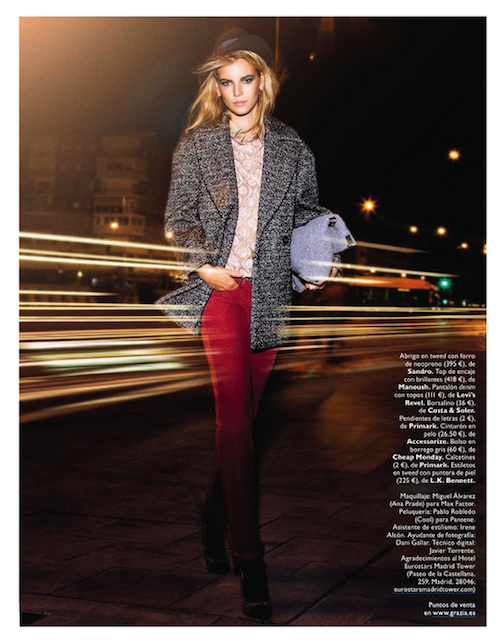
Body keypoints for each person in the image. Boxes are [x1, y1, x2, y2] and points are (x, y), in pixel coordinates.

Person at [156, 27, 337, 621]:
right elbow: (179, 218)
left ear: (263, 82)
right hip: (222, 295)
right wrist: (203, 265)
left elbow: (306, 213)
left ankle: (213, 522)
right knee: (234, 422)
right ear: (217, 87)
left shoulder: (292, 147)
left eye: (246, 79)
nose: (236, 91)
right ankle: (250, 558)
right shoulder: (198, 145)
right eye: (226, 81)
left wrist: (319, 260)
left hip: (271, 298)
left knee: (243, 425)